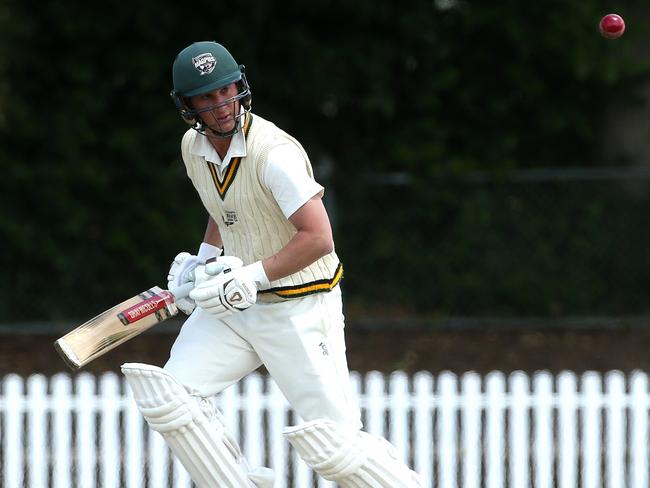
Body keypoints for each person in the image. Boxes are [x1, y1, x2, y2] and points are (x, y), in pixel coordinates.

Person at [121, 40, 422, 488]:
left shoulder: (274, 153)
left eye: (226, 91)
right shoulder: (193, 148)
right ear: (188, 106)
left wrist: (251, 274)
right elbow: (226, 206)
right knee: (171, 397)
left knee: (337, 450)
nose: (221, 105)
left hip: (299, 307)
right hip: (236, 307)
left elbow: (318, 238)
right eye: (206, 97)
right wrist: (203, 262)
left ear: (240, 86)